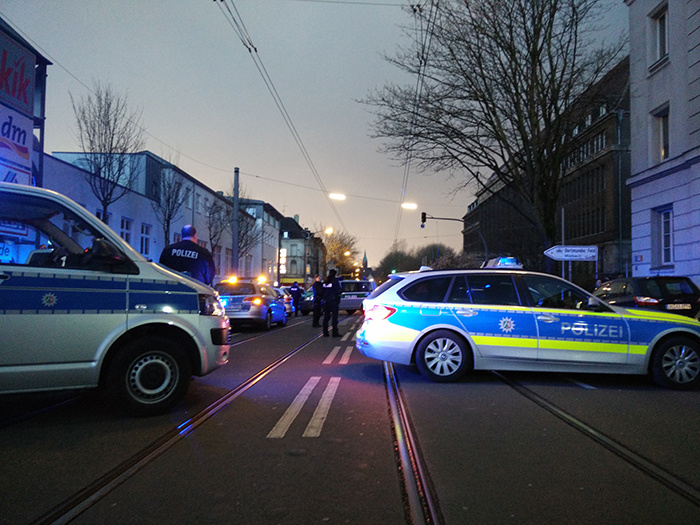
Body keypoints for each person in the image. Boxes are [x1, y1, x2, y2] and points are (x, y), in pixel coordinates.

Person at [322, 269, 342, 337]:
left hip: (326, 301)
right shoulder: (335, 281)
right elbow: (338, 290)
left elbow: (322, 291)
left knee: (326, 317)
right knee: (334, 318)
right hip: (333, 301)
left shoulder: (325, 281)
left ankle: (325, 332)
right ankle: (334, 332)